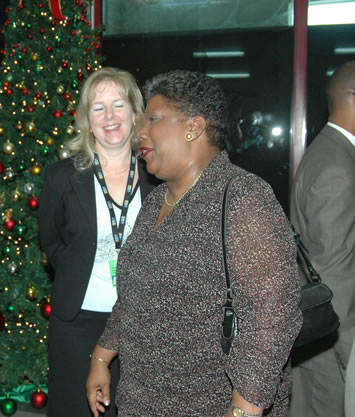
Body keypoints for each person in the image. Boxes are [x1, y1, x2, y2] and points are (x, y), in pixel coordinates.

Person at [86, 70, 302, 417]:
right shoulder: (156, 201)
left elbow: (272, 317)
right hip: (141, 400)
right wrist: (101, 356)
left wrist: (243, 411)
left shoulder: (243, 197)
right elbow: (133, 295)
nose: (140, 132)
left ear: (194, 127)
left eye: (153, 119)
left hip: (210, 405)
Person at [39, 67, 156, 417]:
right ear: (87, 120)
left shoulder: (159, 174)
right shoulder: (62, 178)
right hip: (79, 323)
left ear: (135, 114)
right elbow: (52, 243)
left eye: (118, 105)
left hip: (144, 322)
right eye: (98, 107)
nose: (109, 117)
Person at [289, 61, 355, 417]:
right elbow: (335, 276)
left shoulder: (330, 151)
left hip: (322, 348)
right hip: (332, 351)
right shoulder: (337, 167)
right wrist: (349, 358)